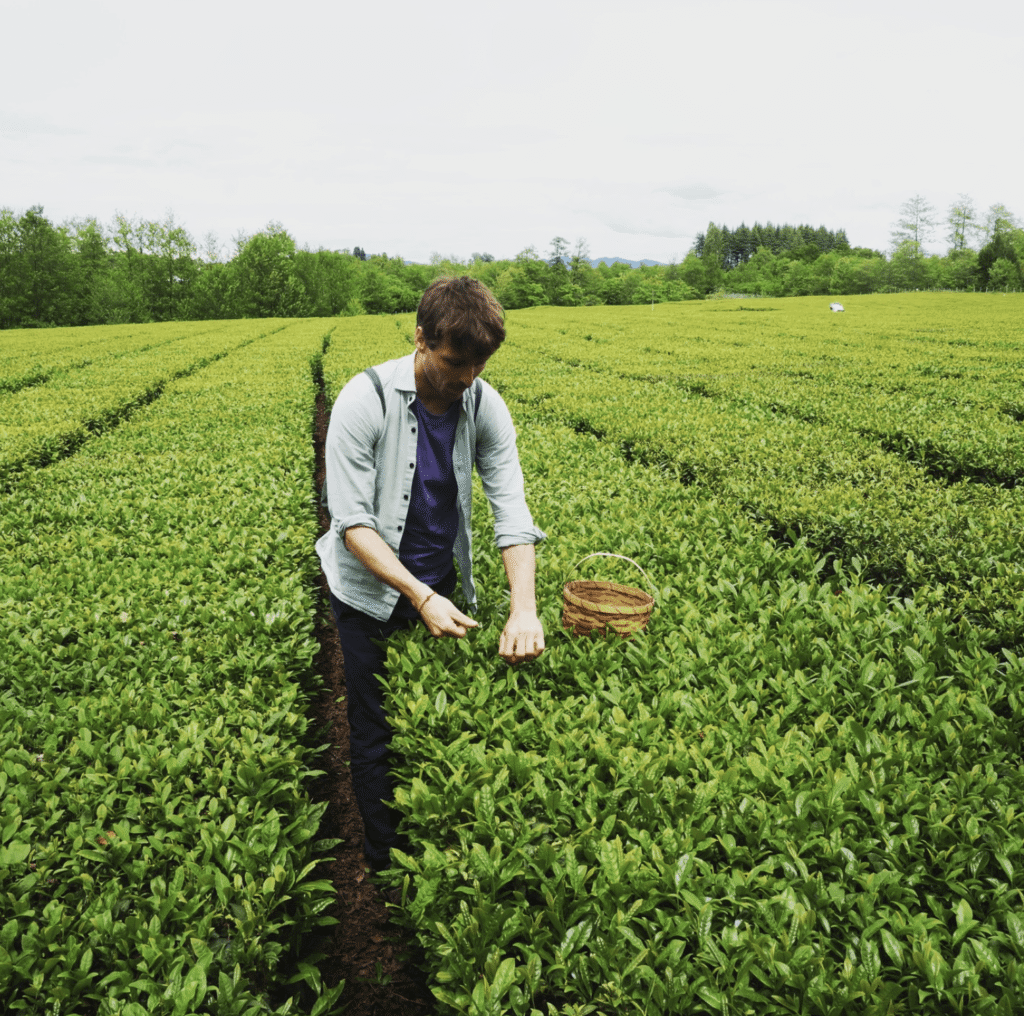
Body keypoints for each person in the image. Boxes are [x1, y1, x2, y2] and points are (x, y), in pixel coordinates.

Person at [316, 275, 546, 872]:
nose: (468, 377)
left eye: (480, 363)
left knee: (433, 712)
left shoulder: (483, 402)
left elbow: (510, 507)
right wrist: (417, 596)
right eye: (456, 361)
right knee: (373, 726)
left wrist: (525, 607)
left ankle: (436, 852)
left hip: (437, 583)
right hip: (368, 590)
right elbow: (353, 523)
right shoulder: (362, 401)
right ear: (420, 338)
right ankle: (385, 864)